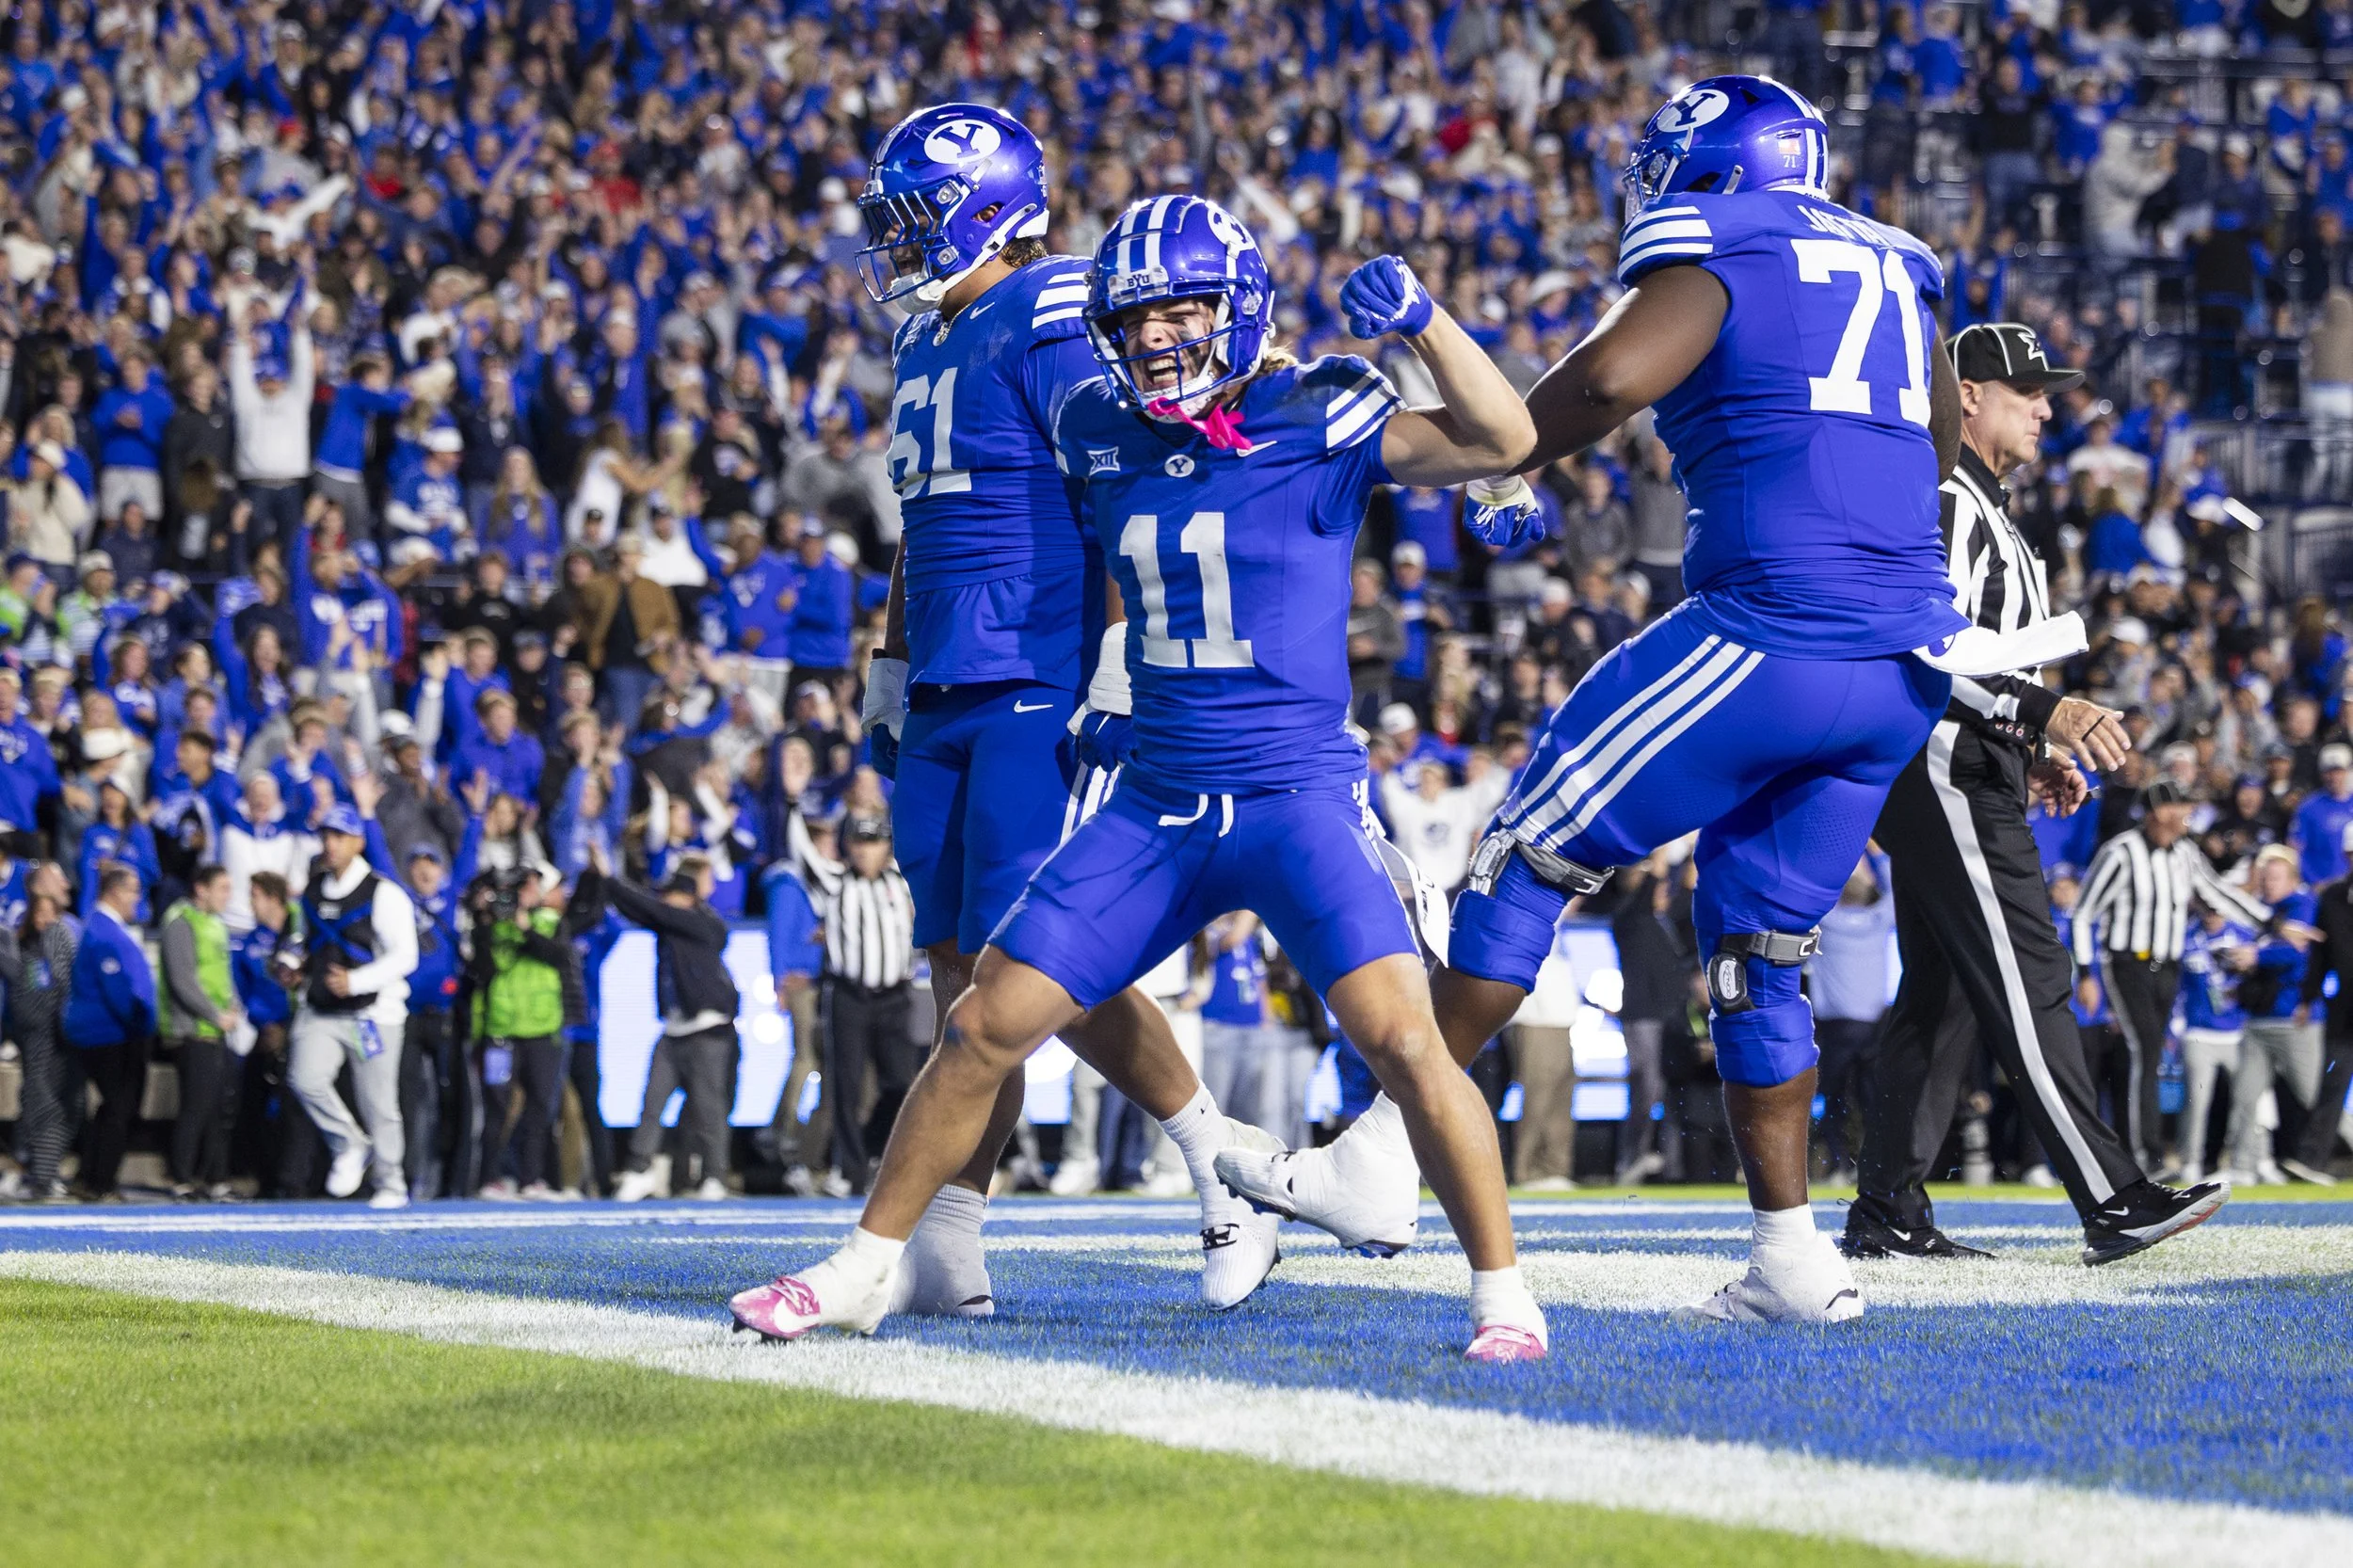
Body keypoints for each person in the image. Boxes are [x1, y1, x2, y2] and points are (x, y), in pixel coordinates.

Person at [732, 194, 1548, 1361]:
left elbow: (1500, 437)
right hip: (1158, 798)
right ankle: (866, 1268)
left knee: (1406, 1043)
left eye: (1181, 311)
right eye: (1136, 318)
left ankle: (1504, 1298)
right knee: (981, 1024)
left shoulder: (1315, 408)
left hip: (1292, 796)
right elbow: (991, 492)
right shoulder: (1103, 433)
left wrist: (1423, 325)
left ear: (1238, 307)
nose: (1158, 337)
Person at [1227, 76, 1985, 1325]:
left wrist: (1501, 439)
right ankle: (1791, 1257)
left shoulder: (1725, 240)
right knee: (1756, 947)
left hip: (1773, 631)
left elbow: (1610, 380)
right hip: (1900, 663)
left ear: (1721, 166)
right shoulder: (1898, 265)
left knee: (1528, 851)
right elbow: (1940, 443)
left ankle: (1378, 1151)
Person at [845, 105, 1280, 1319]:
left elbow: (1125, 476)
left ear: (984, 205)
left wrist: (1119, 654)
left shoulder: (1052, 310)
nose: (892, 242)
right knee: (955, 971)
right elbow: (923, 523)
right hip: (941, 675)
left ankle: (1213, 1152)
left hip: (1040, 669)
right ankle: (953, 1232)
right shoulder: (928, 337)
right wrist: (888, 661)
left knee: (1031, 960)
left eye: (909, 218)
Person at [1849, 321, 2225, 1266]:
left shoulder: (1992, 509)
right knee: (2028, 971)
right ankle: (2111, 1197)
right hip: (1940, 762)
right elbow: (1922, 643)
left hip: (1964, 758)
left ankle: (1887, 1211)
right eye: (2028, 392)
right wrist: (2043, 712)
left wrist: (2027, 737)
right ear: (1965, 394)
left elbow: (1975, 657)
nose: (2048, 409)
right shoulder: (1943, 497)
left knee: (1942, 1000)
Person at [2073, 780, 2272, 1174]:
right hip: (2128, 961)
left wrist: (2273, 922)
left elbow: (2216, 893)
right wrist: (2086, 972)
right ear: (2157, 813)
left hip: (2168, 964)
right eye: (2178, 807)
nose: (2185, 815)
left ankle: (2148, 1152)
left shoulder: (2184, 852)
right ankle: (2143, 1156)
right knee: (2142, 1051)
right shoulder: (2121, 852)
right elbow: (2084, 912)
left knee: (2150, 1053)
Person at [286, 804, 421, 1209]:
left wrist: (356, 981)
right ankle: (349, 1143)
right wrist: (291, 966)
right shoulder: (311, 890)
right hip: (323, 1009)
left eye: (339, 836)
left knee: (378, 1102)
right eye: (326, 835)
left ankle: (391, 1181)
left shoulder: (384, 893)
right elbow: (301, 940)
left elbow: (405, 957)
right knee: (304, 1077)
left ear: (358, 842)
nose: (330, 844)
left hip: (372, 1014)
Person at [594, 853, 742, 1203]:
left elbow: (651, 910)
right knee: (652, 1102)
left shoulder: (699, 923)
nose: (664, 902)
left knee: (708, 1108)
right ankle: (639, 1169)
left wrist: (610, 877)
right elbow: (643, 911)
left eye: (671, 896)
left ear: (687, 898)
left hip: (708, 1029)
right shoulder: (671, 926)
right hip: (675, 1030)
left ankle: (714, 1176)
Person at [803, 816, 920, 1197]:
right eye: (859, 842)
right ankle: (847, 1170)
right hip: (850, 995)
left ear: (887, 847)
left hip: (894, 996)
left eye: (874, 842)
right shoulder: (835, 883)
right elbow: (800, 848)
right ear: (848, 846)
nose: (866, 850)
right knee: (845, 1086)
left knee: (902, 1083)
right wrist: (787, 799)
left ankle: (871, 1152)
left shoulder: (902, 883)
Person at [467, 863, 571, 1200]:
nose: (527, 894)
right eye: (522, 888)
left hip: (542, 1030)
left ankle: (530, 1179)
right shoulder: (490, 927)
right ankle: (489, 1179)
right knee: (496, 1107)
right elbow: (482, 970)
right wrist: (485, 921)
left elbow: (558, 957)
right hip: (502, 1030)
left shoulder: (549, 923)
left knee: (541, 1106)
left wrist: (525, 929)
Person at [62, 862, 157, 1199]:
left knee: (112, 1106)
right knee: (121, 1107)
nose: (137, 899)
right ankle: (100, 1182)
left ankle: (90, 1175)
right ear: (115, 892)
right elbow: (116, 988)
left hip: (110, 1032)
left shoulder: (106, 927)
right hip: (112, 1033)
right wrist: (140, 1021)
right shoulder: (103, 930)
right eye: (134, 891)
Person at [160, 864, 246, 1201]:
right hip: (192, 1030)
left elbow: (221, 975)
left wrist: (234, 1007)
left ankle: (216, 1178)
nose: (228, 896)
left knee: (215, 1110)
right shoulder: (181, 922)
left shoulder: (214, 924)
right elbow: (183, 980)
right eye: (222, 888)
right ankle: (181, 1177)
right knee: (195, 1108)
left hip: (215, 1029)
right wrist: (215, 1014)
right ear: (201, 889)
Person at [0, 888, 78, 1201]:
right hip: (38, 1041)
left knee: (66, 1106)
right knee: (41, 1105)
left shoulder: (59, 942)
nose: (45, 920)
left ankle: (43, 1172)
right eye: (39, 913)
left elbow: (61, 984)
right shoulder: (26, 955)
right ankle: (38, 1175)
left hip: (62, 1039)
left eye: (51, 913)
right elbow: (29, 999)